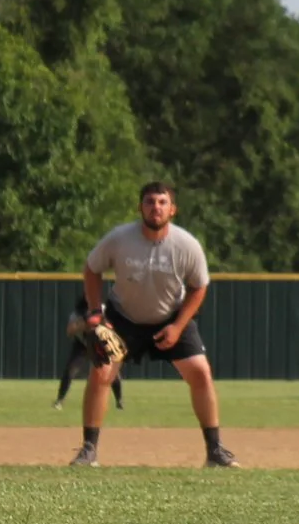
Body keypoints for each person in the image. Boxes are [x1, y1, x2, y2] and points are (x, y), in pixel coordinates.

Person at [71, 181, 236, 468]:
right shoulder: (120, 238)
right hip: (123, 319)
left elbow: (199, 287)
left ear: (173, 209)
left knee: (201, 373)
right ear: (140, 207)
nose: (155, 207)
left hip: (171, 317)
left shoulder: (186, 245)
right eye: (149, 201)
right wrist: (96, 313)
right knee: (101, 374)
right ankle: (88, 450)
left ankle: (215, 451)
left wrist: (179, 325)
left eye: (162, 202)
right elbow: (92, 269)